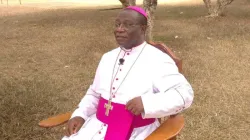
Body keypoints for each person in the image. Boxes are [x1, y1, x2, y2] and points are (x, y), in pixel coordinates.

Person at [62, 6, 194, 140]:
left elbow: (184, 94)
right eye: (117, 24)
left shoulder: (158, 59)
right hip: (96, 126)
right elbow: (95, 93)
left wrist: (147, 103)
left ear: (142, 29)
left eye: (128, 25)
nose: (119, 29)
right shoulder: (107, 57)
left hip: (136, 132)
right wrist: (80, 114)